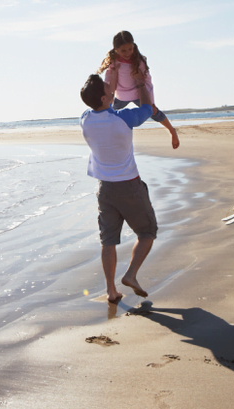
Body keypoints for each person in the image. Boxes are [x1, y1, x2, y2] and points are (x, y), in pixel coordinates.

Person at [80, 73, 157, 303]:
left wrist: (109, 81)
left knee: (108, 241)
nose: (111, 85)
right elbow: (148, 107)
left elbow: (99, 104)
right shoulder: (124, 118)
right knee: (147, 232)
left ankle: (111, 291)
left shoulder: (85, 119)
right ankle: (131, 274)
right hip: (129, 186)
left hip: (105, 189)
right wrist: (140, 83)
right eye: (107, 86)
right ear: (104, 98)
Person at [97, 30, 180, 150]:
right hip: (120, 96)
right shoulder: (113, 62)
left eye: (130, 49)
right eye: (123, 50)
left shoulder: (139, 61)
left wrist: (151, 102)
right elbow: (109, 82)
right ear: (116, 49)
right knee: (108, 116)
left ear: (134, 46)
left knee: (154, 112)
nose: (128, 53)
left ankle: (172, 131)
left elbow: (148, 82)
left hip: (138, 94)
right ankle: (105, 139)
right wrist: (109, 99)